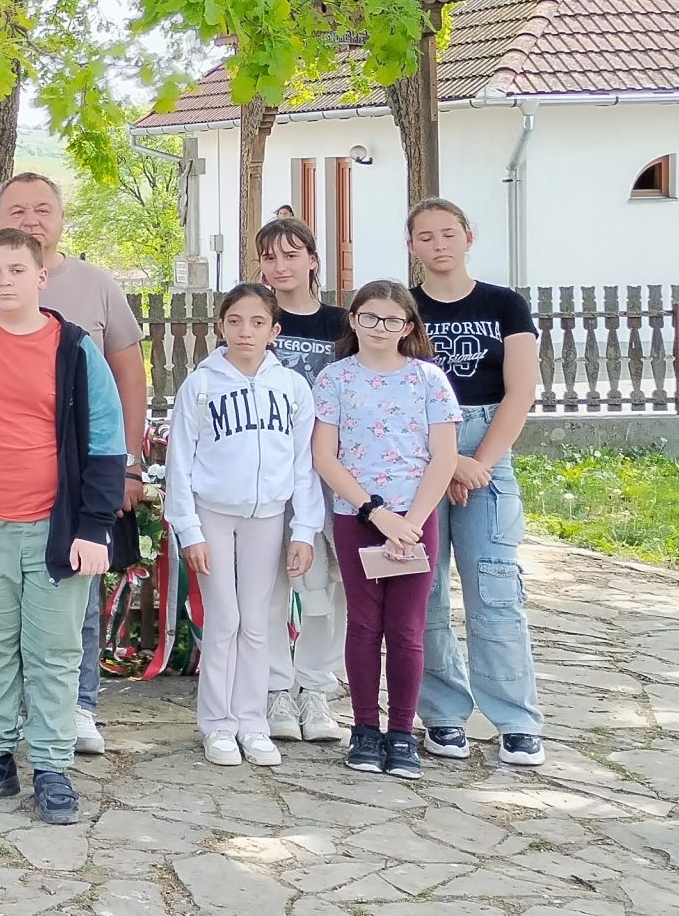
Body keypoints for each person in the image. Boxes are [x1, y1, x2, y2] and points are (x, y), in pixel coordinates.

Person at [0, 172, 147, 758]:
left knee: (56, 644)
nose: (6, 280)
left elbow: (106, 435)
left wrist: (96, 520)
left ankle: (54, 758)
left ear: (41, 277)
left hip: (58, 516)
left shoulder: (76, 344)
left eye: (18, 271)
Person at [408, 199, 547, 768]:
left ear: (468, 237)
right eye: (425, 236)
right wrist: (448, 463)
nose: (438, 244)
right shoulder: (404, 309)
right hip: (417, 455)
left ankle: (516, 720)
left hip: (488, 448)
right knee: (424, 591)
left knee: (495, 589)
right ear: (412, 246)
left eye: (448, 233)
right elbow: (393, 390)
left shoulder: (504, 305)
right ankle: (442, 714)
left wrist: (478, 463)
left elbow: (521, 391)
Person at [163, 283, 322, 770]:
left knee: (257, 622)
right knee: (224, 619)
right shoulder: (201, 386)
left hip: (268, 516)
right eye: (234, 321)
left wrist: (305, 529)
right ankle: (217, 724)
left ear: (275, 330)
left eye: (257, 323)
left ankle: (252, 723)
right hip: (213, 513)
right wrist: (189, 530)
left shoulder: (291, 388)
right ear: (221, 327)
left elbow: (304, 465)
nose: (245, 332)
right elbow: (179, 462)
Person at [312, 280, 462, 781]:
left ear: (408, 326)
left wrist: (411, 523)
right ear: (354, 320)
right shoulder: (334, 379)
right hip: (358, 519)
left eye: (392, 319)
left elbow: (443, 457)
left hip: (415, 523)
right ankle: (364, 729)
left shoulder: (429, 379)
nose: (380, 327)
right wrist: (376, 514)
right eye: (370, 317)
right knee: (363, 624)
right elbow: (324, 456)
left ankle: (400, 733)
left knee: (406, 629)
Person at [256, 217, 348, 744]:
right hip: (270, 474)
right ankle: (275, 689)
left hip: (332, 472)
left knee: (331, 585)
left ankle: (316, 688)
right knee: (271, 583)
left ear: (313, 259)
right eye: (270, 257)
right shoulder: (255, 316)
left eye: (291, 254)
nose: (280, 266)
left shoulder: (342, 324)